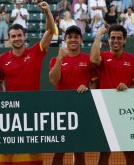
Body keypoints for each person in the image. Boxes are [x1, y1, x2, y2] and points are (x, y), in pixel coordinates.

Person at [0, 1, 55, 165]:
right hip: (10, 114)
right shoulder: (3, 59)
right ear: (9, 39)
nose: (16, 38)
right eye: (13, 36)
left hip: (32, 112)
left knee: (32, 157)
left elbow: (50, 31)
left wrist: (47, 11)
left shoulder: (36, 51)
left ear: (24, 37)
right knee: (7, 156)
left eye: (19, 35)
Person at [90, 24, 134, 165]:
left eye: (119, 38)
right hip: (106, 111)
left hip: (126, 112)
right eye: (112, 38)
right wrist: (98, 35)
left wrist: (128, 89)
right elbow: (93, 59)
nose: (115, 41)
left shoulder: (131, 59)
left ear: (124, 40)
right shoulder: (103, 57)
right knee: (104, 154)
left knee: (130, 154)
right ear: (108, 39)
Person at [49, 25, 95, 165]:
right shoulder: (56, 59)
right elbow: (53, 80)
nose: (73, 39)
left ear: (81, 40)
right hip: (61, 109)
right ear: (65, 40)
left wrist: (87, 87)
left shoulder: (88, 60)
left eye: (76, 37)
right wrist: (59, 59)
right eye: (69, 37)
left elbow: (94, 83)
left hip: (81, 109)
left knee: (79, 150)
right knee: (59, 150)